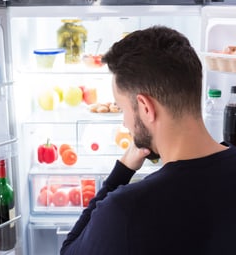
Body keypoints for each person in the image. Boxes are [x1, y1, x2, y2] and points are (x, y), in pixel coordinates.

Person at [60, 26, 236, 255]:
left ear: (145, 107)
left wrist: (119, 174)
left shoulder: (124, 212)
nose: (124, 122)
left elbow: (68, 251)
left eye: (122, 108)